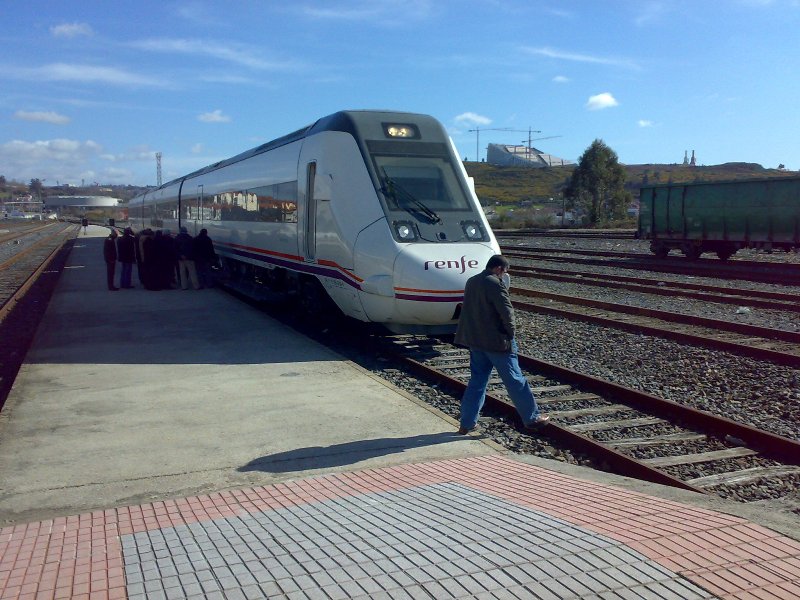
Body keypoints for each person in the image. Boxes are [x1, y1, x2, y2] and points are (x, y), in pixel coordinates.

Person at [454, 254, 548, 434]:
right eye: (504, 272)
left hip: (476, 341)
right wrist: (510, 334)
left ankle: (466, 423)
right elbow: (507, 312)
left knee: (477, 382)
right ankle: (532, 418)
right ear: (498, 269)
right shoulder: (495, 283)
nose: (504, 275)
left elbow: (469, 310)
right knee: (515, 380)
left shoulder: (472, 281)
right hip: (497, 342)